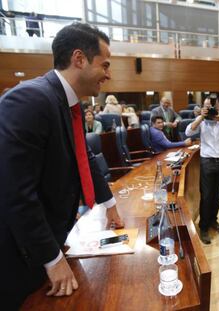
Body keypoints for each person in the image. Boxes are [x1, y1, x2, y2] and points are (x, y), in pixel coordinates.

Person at [0, 22, 125, 309]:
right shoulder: (30, 100)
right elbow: (15, 192)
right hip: (18, 254)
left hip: (52, 237)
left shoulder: (72, 105)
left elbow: (84, 157)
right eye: (104, 65)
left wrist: (109, 203)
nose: (108, 74)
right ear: (79, 59)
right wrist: (51, 257)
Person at [185, 96, 219, 244]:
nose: (209, 109)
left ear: (218, 106)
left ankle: (212, 220)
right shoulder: (202, 119)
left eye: (212, 106)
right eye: (206, 106)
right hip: (207, 162)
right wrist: (201, 118)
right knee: (207, 196)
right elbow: (188, 133)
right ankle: (203, 227)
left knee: (218, 195)